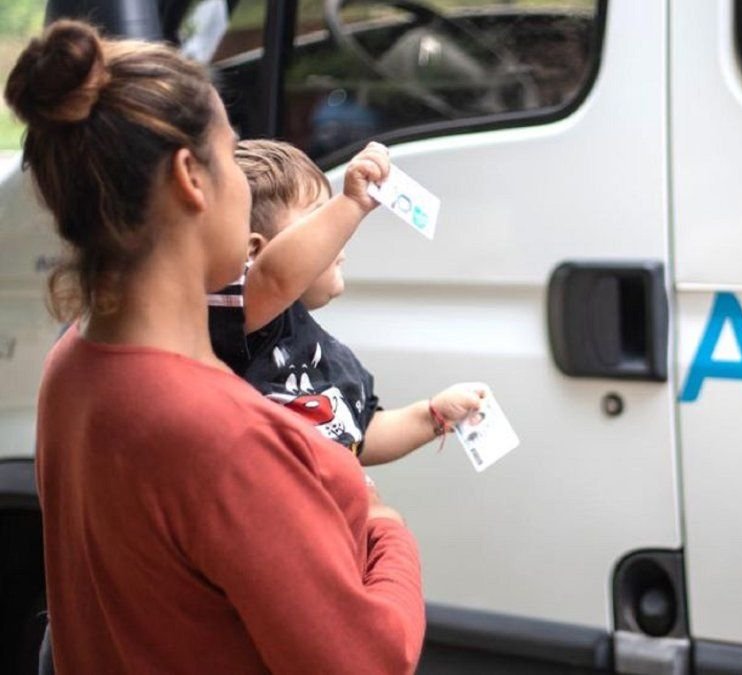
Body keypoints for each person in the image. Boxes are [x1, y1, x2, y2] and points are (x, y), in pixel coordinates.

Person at [5, 20, 424, 673]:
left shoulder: (75, 360)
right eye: (232, 155)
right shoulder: (226, 439)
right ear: (190, 179)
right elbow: (368, 661)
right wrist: (385, 525)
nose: (244, 180)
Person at [209, 139, 484, 462]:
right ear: (254, 253)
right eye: (319, 217)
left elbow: (361, 434)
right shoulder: (245, 325)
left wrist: (433, 416)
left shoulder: (324, 349)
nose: (338, 231)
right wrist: (351, 203)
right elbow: (275, 277)